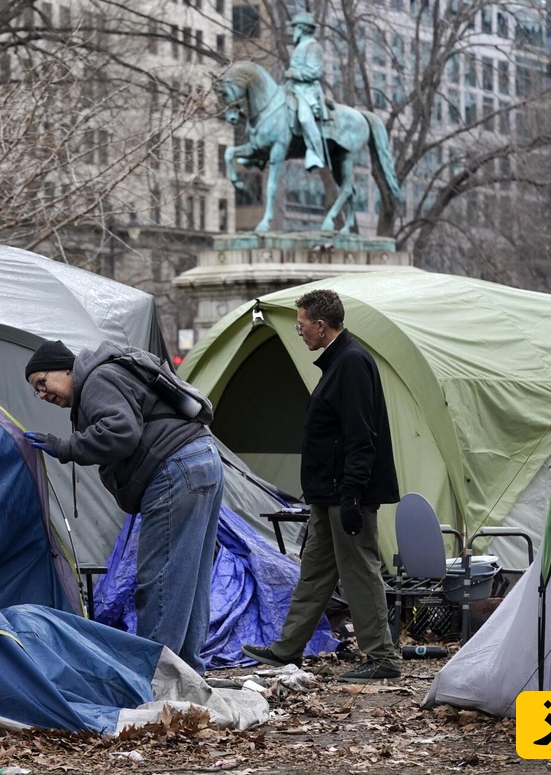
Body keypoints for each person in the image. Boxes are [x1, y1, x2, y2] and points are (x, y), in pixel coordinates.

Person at [23, 339, 224, 673]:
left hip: (175, 467)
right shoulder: (110, 372)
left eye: (42, 383)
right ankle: (187, 672)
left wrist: (65, 447)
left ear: (65, 367)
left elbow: (120, 431)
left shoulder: (97, 379)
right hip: (202, 458)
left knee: (159, 576)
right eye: (36, 391)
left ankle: (155, 677)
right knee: (191, 577)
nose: (42, 394)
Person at [242, 289, 402, 683]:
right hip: (328, 493)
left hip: (346, 493)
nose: (298, 332)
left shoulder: (351, 362)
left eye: (300, 325)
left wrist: (351, 495)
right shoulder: (338, 362)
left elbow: (361, 436)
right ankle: (287, 649)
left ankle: (382, 657)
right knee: (315, 571)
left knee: (360, 571)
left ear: (320, 324)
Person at [284, 12, 328, 171]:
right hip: (292, 88)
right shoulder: (299, 46)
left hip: (306, 91)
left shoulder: (313, 46)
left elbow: (315, 72)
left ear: (302, 29)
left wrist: (294, 74)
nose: (293, 30)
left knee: (304, 118)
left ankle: (316, 154)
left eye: (295, 27)